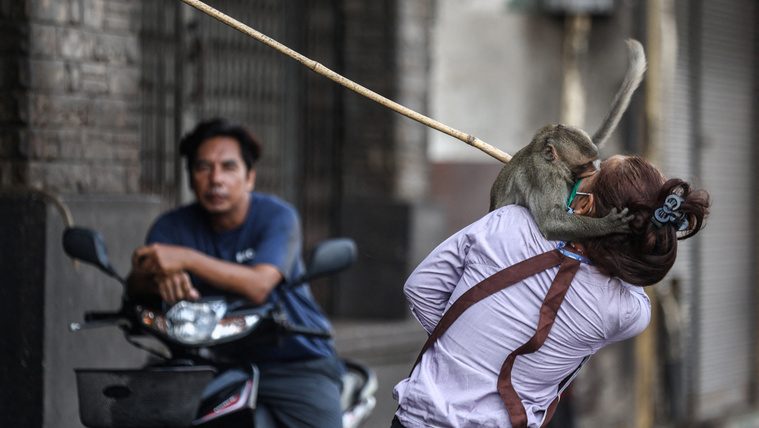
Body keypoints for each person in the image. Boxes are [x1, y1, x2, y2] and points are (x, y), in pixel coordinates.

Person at [391, 154, 710, 428]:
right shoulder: (627, 311)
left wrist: (465, 347)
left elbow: (421, 289)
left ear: (584, 205)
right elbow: (632, 272)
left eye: (594, 171)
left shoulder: (511, 222)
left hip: (419, 418)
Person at [127, 118, 343, 427]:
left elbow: (259, 285)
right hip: (206, 361)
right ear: (190, 178)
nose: (216, 179)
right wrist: (155, 278)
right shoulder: (170, 227)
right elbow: (139, 280)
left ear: (250, 177)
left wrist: (184, 259)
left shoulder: (277, 217)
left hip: (294, 361)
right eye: (203, 168)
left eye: (229, 167)